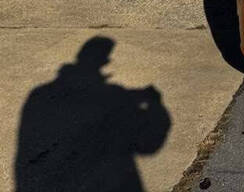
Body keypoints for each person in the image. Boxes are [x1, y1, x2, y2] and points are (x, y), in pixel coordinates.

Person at [15, 36, 171, 192]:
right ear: (105, 62)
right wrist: (156, 107)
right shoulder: (114, 97)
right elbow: (149, 145)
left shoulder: (40, 94)